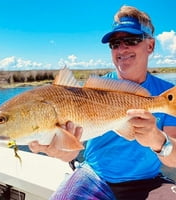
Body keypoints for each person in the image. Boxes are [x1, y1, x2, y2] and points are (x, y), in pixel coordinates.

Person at [29, 5, 176, 200]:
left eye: (131, 40)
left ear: (150, 45)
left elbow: (173, 160)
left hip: (148, 181)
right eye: (115, 44)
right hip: (94, 176)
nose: (121, 49)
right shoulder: (90, 91)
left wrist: (157, 139)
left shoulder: (167, 95)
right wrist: (56, 149)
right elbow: (70, 154)